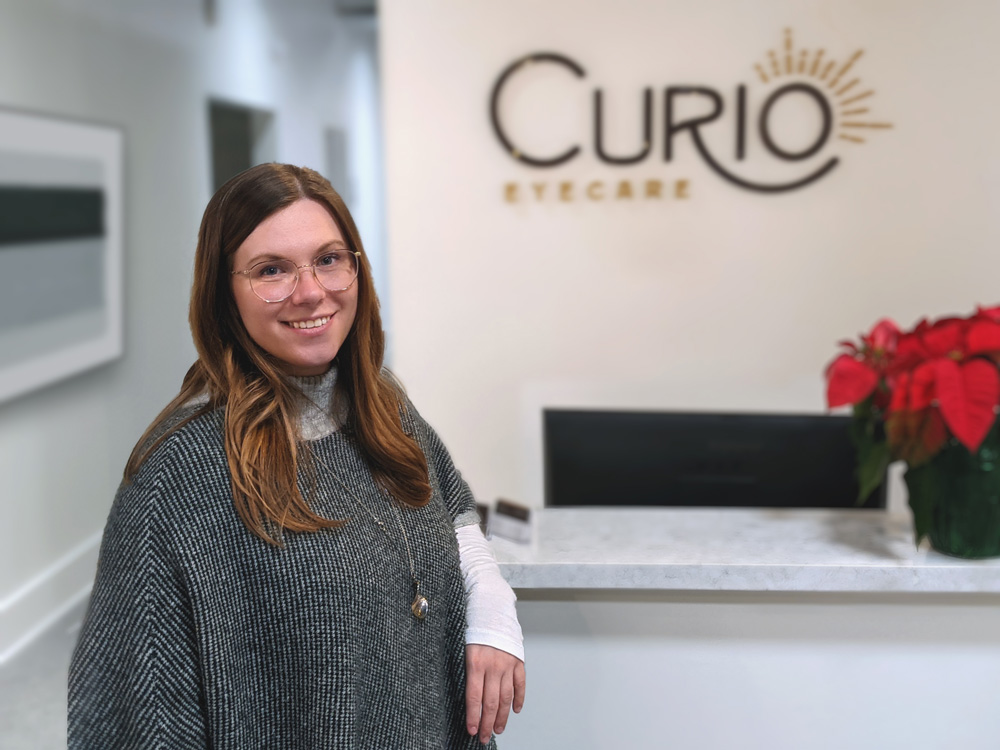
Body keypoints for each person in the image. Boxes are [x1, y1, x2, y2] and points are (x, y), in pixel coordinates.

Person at [68, 163, 525, 749]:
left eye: (330, 259)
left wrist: (491, 601)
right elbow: (133, 712)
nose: (311, 291)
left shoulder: (380, 405)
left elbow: (452, 506)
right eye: (271, 270)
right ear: (223, 294)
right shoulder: (180, 474)